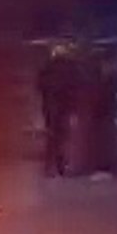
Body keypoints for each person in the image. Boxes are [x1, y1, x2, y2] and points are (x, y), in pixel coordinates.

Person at [37, 45, 76, 177]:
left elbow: (40, 86)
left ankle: (49, 167)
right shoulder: (69, 70)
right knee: (62, 138)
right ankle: (60, 167)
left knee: (52, 138)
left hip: (50, 108)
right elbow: (73, 88)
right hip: (63, 108)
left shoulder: (47, 69)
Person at [88, 51, 117, 179]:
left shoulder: (113, 78)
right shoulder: (103, 77)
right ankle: (108, 168)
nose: (104, 66)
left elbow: (109, 96)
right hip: (102, 114)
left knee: (107, 142)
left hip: (107, 113)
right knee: (104, 142)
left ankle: (108, 169)